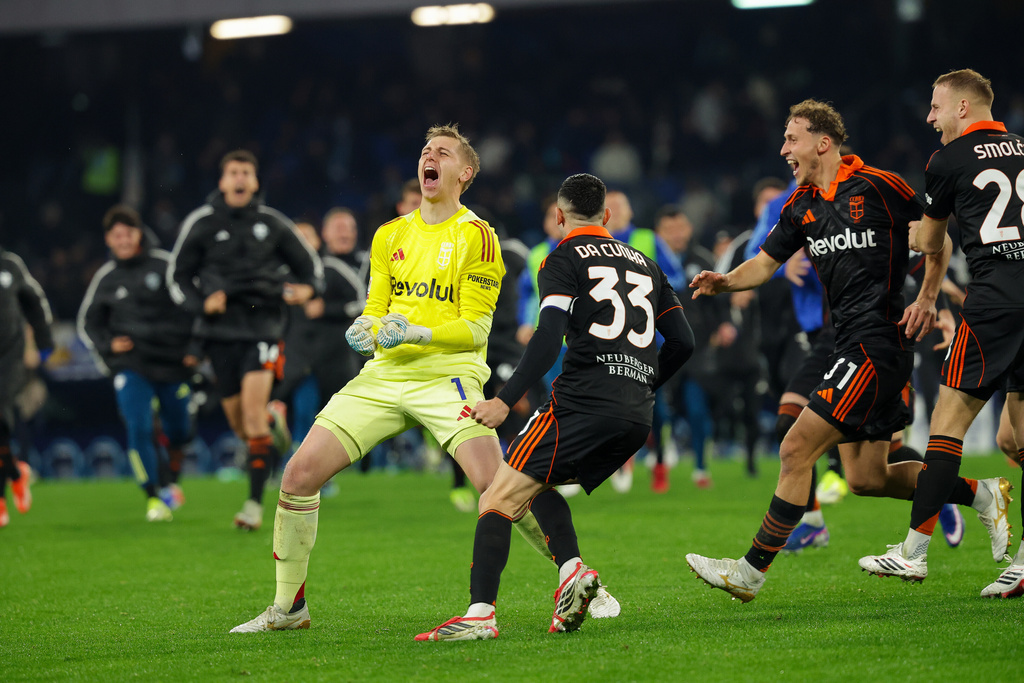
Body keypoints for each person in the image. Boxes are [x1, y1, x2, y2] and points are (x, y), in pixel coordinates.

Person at [229, 125, 618, 633]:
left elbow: (475, 328)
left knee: (497, 484)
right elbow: (375, 310)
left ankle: (577, 575)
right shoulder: (389, 234)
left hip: (447, 378)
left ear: (465, 172)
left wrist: (414, 331)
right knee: (298, 477)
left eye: (443, 153)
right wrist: (366, 330)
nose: (429, 157)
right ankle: (288, 608)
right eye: (425, 151)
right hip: (383, 377)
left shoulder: (477, 236)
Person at [684, 99, 988, 603]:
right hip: (847, 343)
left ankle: (750, 571)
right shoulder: (799, 205)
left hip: (878, 343)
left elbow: (938, 241)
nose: (784, 149)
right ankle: (981, 494)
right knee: (867, 477)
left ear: (823, 142)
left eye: (792, 139)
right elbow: (763, 265)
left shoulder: (879, 186)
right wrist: (725, 282)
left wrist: (930, 297)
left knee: (795, 447)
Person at [416, 172, 693, 641]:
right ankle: (572, 575)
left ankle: (480, 614)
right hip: (635, 416)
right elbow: (683, 342)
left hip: (582, 404)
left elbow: (547, 338)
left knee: (496, 499)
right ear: (607, 216)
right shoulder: (646, 262)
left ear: (560, 216)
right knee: (532, 480)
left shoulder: (560, 257)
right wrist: (644, 384)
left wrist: (504, 400)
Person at [859, 69, 1022, 596]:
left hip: (995, 300)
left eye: (936, 107)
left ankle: (913, 553)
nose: (930, 118)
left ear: (963, 108)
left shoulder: (948, 160)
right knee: (1014, 439)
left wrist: (908, 230)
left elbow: (930, 241)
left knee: (946, 428)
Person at [167, 150, 324, 530]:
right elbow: (178, 277)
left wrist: (307, 291)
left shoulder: (272, 224)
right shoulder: (202, 224)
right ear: (222, 182)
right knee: (241, 426)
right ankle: (273, 423)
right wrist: (202, 303)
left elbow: (311, 269)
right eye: (233, 172)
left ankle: (253, 506)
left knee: (251, 418)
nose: (239, 179)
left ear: (255, 182)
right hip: (220, 335)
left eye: (246, 173)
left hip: (263, 329)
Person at [78, 204, 197, 521]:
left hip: (173, 364)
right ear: (108, 240)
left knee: (180, 430)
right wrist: (108, 345)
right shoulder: (106, 278)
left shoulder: (166, 266)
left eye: (128, 233)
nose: (123, 240)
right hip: (132, 366)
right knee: (138, 426)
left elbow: (193, 305)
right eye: (117, 235)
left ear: (139, 234)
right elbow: (88, 323)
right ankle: (153, 496)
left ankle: (170, 483)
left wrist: (195, 349)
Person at [0, 247, 53, 527]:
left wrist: (44, 341)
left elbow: (35, 301)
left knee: (1, 418)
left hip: (9, 357)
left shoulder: (10, 265)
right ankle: (15, 473)